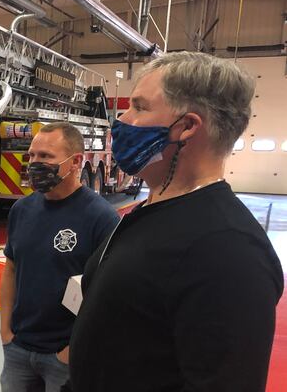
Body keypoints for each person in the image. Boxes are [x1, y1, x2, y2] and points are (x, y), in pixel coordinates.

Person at [70, 52, 283, 392]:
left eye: (139, 107)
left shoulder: (229, 252)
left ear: (186, 128)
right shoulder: (153, 207)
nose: (121, 120)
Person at [0, 122, 119, 392]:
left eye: (45, 157)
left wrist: (70, 350)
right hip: (18, 348)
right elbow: (10, 269)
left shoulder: (100, 218)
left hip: (64, 356)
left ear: (75, 161)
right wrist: (6, 332)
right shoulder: (21, 210)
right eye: (31, 155)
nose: (34, 163)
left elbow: (106, 295)